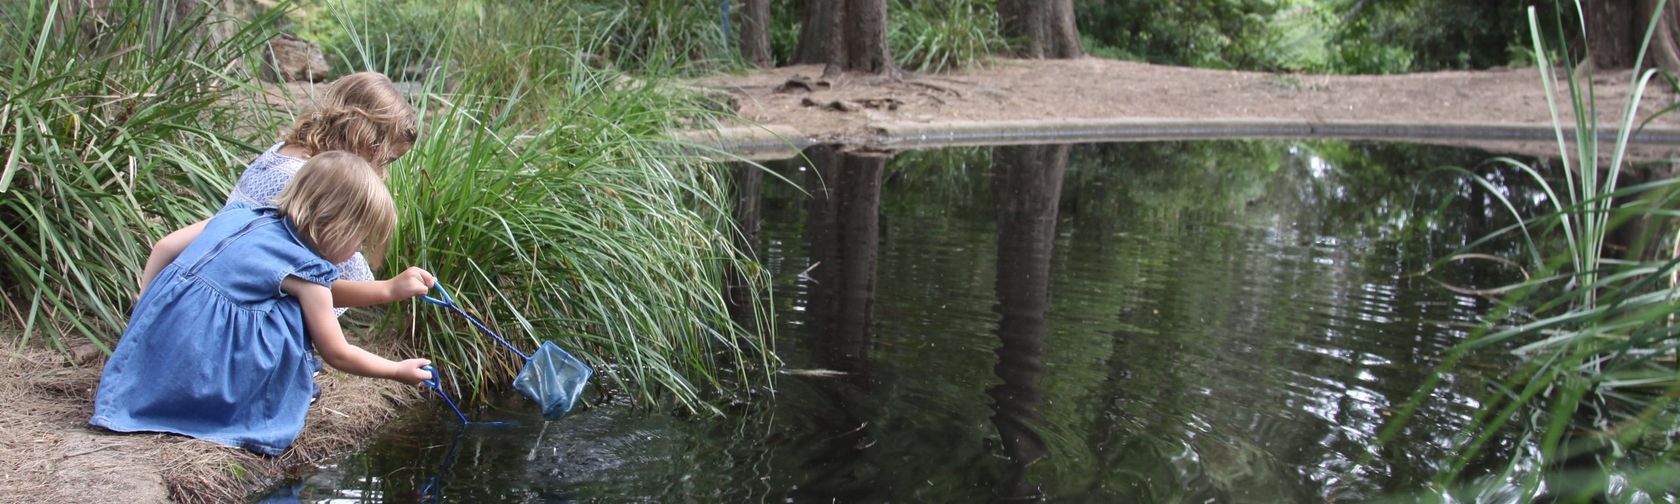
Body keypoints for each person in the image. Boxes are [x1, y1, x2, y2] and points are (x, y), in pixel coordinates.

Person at [91, 151, 434, 456]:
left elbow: (165, 246)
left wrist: (388, 289)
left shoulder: (241, 215)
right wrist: (396, 371)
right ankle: (247, 405)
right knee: (288, 311)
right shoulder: (305, 271)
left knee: (291, 297)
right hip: (200, 373)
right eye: (360, 238)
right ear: (337, 225)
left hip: (153, 352)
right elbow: (338, 353)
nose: (359, 249)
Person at [140, 71, 431, 313]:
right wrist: (389, 289)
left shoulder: (284, 154)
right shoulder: (301, 184)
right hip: (240, 311)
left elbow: (169, 244)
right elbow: (306, 283)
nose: (381, 169)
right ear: (362, 136)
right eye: (384, 158)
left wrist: (145, 307)